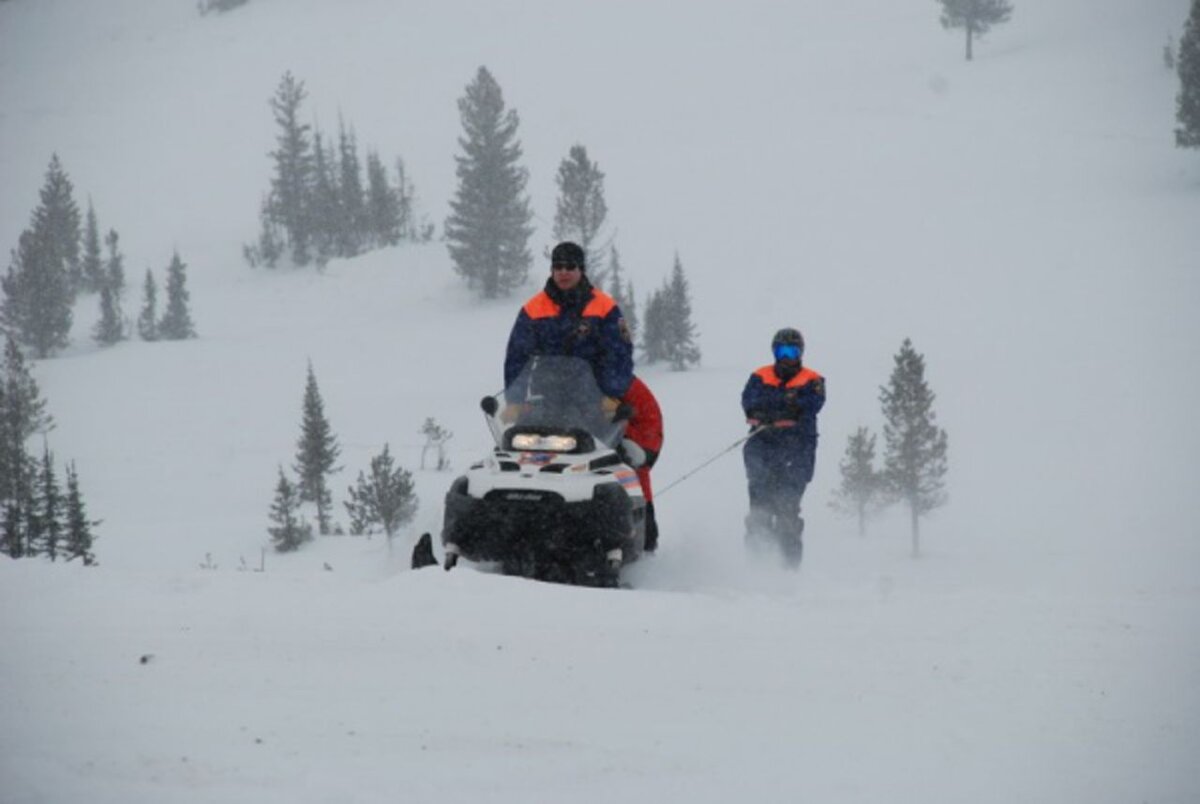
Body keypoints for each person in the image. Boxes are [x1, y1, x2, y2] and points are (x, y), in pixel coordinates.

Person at [504, 241, 633, 402]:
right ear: (552, 271)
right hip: (546, 399)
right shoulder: (532, 310)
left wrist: (612, 394)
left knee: (638, 416)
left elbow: (620, 353)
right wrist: (515, 400)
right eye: (558, 267)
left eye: (570, 266)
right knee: (523, 427)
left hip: (594, 399)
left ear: (581, 270)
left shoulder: (605, 307)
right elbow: (517, 357)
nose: (563, 272)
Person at [740, 327, 825, 566]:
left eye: (792, 351)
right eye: (782, 351)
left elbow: (808, 407)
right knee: (759, 511)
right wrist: (779, 407)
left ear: (801, 353)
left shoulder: (813, 380)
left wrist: (777, 408)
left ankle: (788, 570)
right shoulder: (760, 376)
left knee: (787, 511)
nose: (787, 357)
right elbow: (749, 402)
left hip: (796, 452)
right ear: (774, 352)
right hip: (762, 448)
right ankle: (755, 565)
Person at [617, 375, 664, 553]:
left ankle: (644, 551)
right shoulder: (552, 376)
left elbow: (650, 423)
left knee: (637, 491)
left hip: (621, 452)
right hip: (558, 452)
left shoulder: (619, 379)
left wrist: (627, 437)